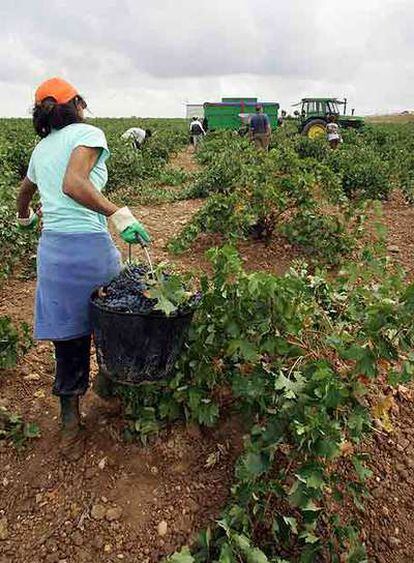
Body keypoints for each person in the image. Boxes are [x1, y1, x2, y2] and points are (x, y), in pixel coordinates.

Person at [16, 77, 151, 460]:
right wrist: (117, 213)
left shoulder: (41, 148)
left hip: (54, 254)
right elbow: (75, 183)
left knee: (68, 338)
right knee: (114, 318)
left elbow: (24, 192)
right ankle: (108, 384)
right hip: (90, 249)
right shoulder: (88, 133)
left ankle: (70, 423)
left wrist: (25, 219)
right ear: (75, 103)